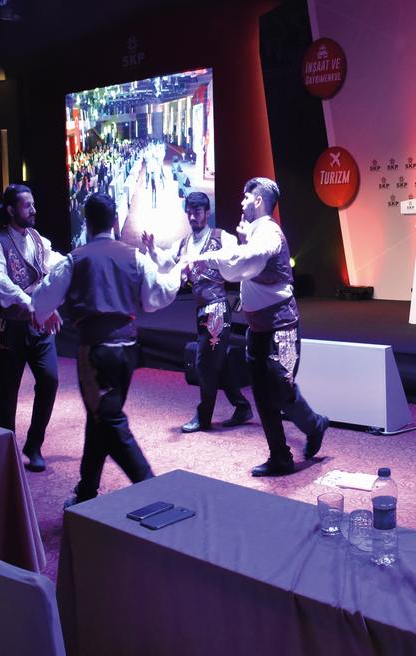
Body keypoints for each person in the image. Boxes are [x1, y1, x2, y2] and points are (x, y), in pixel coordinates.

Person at [32, 193, 185, 507]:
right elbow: (156, 297)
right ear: (115, 221)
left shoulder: (75, 260)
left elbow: (41, 302)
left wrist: (44, 310)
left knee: (109, 419)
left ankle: (152, 488)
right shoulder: (135, 256)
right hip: (128, 350)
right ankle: (87, 489)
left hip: (96, 353)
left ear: (87, 223)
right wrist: (178, 271)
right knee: (99, 416)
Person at [186, 177, 328, 477]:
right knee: (263, 395)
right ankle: (280, 457)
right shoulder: (255, 232)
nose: (241, 202)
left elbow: (250, 257)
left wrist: (207, 258)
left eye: (246, 197)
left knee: (280, 389)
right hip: (258, 329)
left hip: (281, 328)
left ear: (259, 200)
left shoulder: (270, 233)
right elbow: (246, 264)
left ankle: (315, 424)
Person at [142, 191, 252, 432]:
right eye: (189, 212)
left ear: (207, 213)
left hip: (217, 310)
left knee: (204, 363)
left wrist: (209, 257)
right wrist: (152, 249)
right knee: (218, 362)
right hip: (202, 310)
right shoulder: (183, 243)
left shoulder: (221, 237)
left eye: (197, 212)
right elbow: (167, 263)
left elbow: (235, 256)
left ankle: (203, 417)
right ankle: (242, 406)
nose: (192, 217)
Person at [0, 185, 62, 472]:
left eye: (33, 204)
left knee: (50, 380)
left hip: (38, 328)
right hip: (10, 329)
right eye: (27, 206)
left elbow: (58, 264)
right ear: (11, 210)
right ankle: (7, 450)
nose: (34, 210)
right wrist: (31, 303)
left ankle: (34, 444)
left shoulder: (38, 240)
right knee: (7, 393)